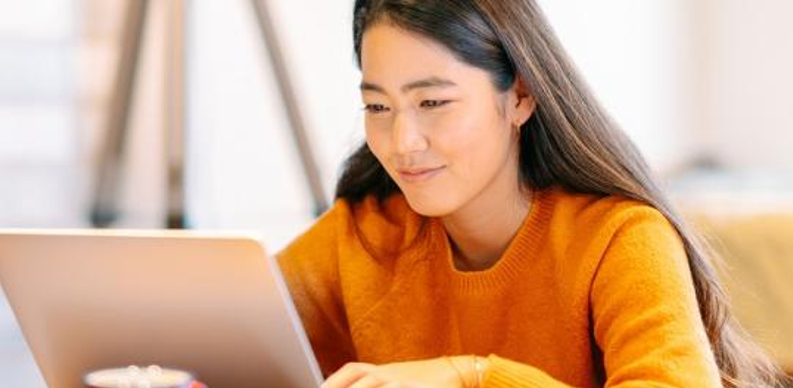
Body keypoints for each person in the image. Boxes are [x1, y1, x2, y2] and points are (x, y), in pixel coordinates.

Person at [275, 1, 791, 387]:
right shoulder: (363, 233)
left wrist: (473, 377)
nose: (403, 142)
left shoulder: (620, 237)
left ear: (520, 95)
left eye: (432, 101)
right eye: (378, 108)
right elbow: (231, 330)